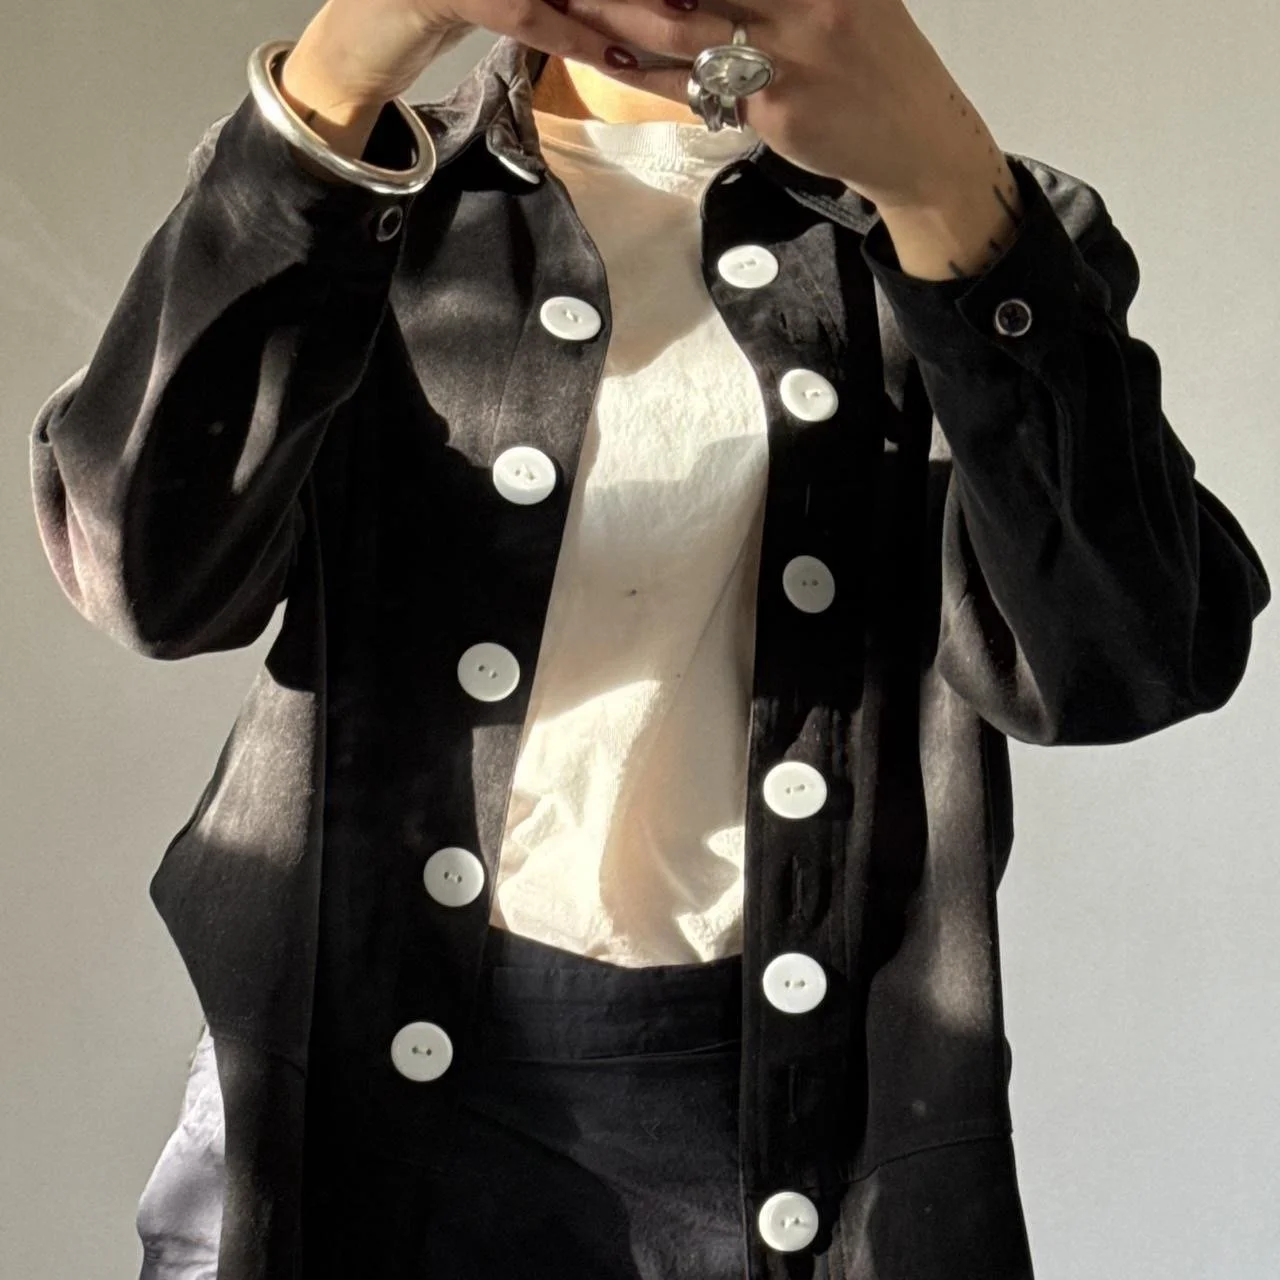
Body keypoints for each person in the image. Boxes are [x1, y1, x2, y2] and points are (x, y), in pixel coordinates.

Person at [28, 0, 1271, 1277]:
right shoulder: (376, 191)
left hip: (798, 1121)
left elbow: (1126, 662)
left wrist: (948, 185)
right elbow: (146, 578)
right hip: (341, 1078)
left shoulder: (972, 228)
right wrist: (341, 69)